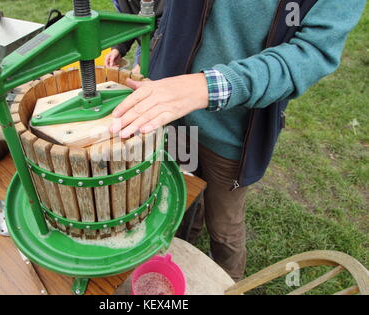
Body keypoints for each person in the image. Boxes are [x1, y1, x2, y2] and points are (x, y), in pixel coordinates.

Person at [110, 0, 366, 281]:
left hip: (233, 135)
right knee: (183, 197)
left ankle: (229, 280)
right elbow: (151, 7)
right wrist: (122, 43)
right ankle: (184, 246)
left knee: (224, 227)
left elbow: (311, 52)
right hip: (172, 117)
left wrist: (207, 87)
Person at [105, 0, 164, 73]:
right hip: (145, 42)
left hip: (170, 45)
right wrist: (118, 47)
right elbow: (127, 21)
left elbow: (166, 31)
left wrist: (142, 63)